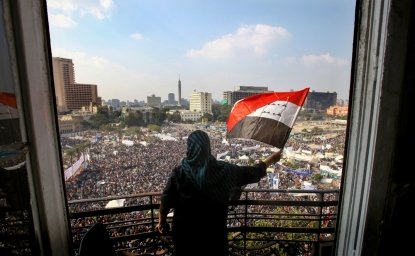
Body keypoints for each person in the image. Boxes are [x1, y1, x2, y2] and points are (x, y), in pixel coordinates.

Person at [156, 130, 282, 256]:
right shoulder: (225, 170)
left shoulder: (179, 173)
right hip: (215, 235)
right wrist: (272, 159)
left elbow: (165, 202)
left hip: (186, 236)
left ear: (189, 147)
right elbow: (252, 172)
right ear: (208, 148)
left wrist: (162, 222)